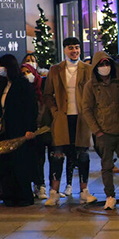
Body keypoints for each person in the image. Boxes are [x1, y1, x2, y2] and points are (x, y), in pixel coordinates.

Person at [43, 37, 97, 206]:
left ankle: (84, 191)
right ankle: (54, 192)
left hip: (82, 118)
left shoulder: (88, 69)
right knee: (58, 154)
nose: (74, 51)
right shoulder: (55, 70)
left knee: (83, 154)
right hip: (62, 118)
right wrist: (55, 112)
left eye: (77, 48)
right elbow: (47, 94)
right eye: (71, 48)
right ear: (64, 50)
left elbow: (94, 92)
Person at [82, 52, 119, 210]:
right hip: (104, 132)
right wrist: (97, 131)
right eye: (101, 65)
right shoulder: (91, 86)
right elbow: (87, 109)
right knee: (107, 166)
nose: (105, 68)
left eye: (107, 64)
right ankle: (110, 196)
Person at [0, 54, 37, 207]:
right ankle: (9, 195)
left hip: (20, 130)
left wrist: (30, 129)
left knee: (20, 164)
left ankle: (24, 196)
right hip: (4, 131)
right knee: (5, 164)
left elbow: (31, 108)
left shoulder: (22, 85)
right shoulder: (1, 85)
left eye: (1, 66)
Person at [21, 62, 53, 200]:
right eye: (23, 73)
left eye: (28, 72)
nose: (26, 76)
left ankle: (53, 187)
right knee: (38, 159)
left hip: (47, 127)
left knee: (53, 157)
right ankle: (40, 185)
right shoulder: (23, 90)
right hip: (33, 131)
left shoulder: (43, 85)